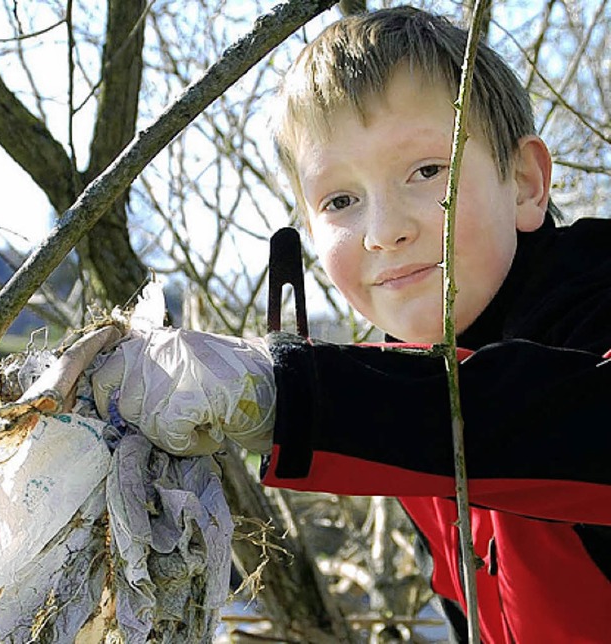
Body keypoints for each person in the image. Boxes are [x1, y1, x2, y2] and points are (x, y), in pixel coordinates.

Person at [90, 7, 611, 643]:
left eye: (428, 171)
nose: (385, 230)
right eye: (341, 200)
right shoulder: (404, 424)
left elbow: (555, 421)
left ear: (526, 183)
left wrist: (289, 395)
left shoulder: (595, 305)